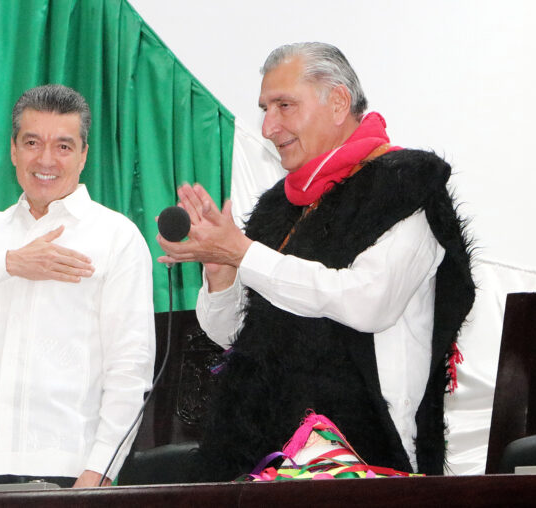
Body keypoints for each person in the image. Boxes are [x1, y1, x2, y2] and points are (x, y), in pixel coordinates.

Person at [157, 42, 475, 480]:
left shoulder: (406, 188)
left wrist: (243, 253)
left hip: (364, 460)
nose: (269, 126)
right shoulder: (279, 205)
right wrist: (222, 272)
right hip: (263, 456)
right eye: (265, 108)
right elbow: (235, 333)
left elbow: (368, 303)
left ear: (339, 101)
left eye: (284, 106)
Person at [0, 84, 156, 488]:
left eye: (64, 146)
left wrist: (102, 468)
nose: (46, 159)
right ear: (14, 150)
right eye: (32, 142)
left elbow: (130, 367)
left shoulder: (116, 236)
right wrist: (8, 263)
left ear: (84, 154)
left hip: (67, 468)